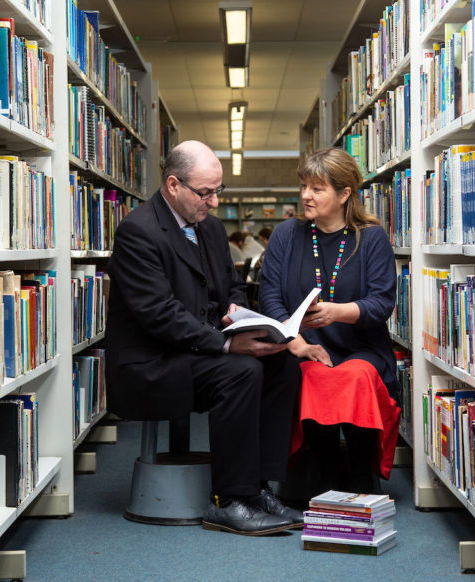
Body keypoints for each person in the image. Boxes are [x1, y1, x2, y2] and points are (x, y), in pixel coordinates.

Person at [104, 140, 303, 535]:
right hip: (151, 364)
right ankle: (229, 501)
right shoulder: (137, 232)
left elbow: (230, 285)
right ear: (173, 184)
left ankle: (258, 488)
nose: (214, 203)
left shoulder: (210, 230)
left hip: (196, 353)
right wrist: (228, 343)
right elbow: (160, 316)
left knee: (282, 362)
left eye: (218, 191)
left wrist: (234, 312)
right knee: (241, 371)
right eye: (206, 192)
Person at [258, 147, 401, 495]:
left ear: (344, 194)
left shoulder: (370, 238)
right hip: (304, 345)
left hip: (361, 347)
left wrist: (337, 311)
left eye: (317, 188)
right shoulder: (287, 235)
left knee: (355, 376)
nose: (306, 195)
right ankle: (324, 470)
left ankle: (359, 472)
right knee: (313, 373)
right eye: (305, 186)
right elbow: (269, 296)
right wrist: (298, 344)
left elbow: (382, 304)